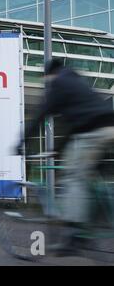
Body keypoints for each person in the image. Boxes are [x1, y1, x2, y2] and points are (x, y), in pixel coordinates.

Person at [16, 59, 114, 252]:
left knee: (74, 177)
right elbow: (74, 125)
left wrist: (21, 143)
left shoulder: (58, 83)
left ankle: (75, 236)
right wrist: (58, 150)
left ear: (49, 74)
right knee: (92, 179)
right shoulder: (77, 82)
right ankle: (92, 224)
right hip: (109, 127)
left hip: (95, 132)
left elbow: (39, 115)